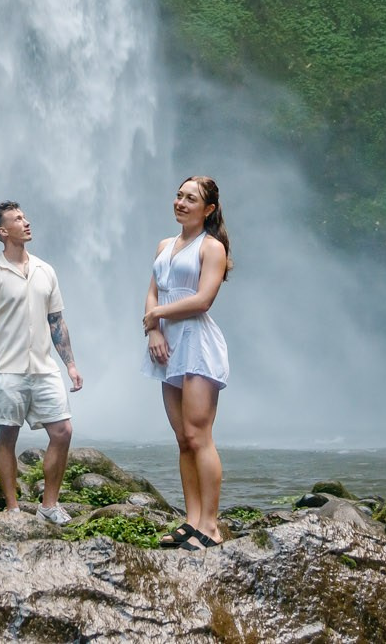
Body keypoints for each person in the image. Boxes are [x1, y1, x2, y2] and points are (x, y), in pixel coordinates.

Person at [0, 200, 84, 523]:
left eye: (24, 216)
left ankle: (49, 505)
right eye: (18, 219)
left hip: (45, 367)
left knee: (62, 431)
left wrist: (70, 365)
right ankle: (13, 508)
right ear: (3, 231)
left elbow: (56, 321)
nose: (26, 222)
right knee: (8, 436)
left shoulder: (45, 270)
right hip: (8, 370)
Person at [142, 174, 231, 549]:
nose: (180, 203)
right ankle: (192, 520)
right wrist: (154, 330)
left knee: (199, 435)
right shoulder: (165, 245)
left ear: (208, 209)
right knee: (182, 439)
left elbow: (203, 300)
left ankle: (210, 526)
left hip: (196, 344)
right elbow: (152, 292)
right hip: (167, 345)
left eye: (190, 199)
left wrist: (157, 315)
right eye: (179, 196)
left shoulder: (211, 248)